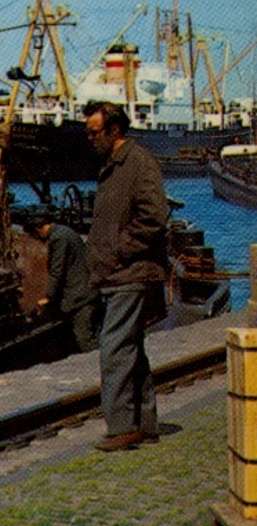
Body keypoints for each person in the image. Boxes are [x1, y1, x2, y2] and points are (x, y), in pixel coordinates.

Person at [84, 101, 170, 452]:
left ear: (114, 130)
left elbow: (155, 216)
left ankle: (121, 428)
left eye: (94, 131)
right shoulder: (112, 165)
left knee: (114, 349)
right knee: (131, 349)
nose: (88, 138)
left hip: (130, 272)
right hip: (117, 272)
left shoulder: (138, 162)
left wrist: (120, 249)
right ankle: (144, 423)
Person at [27, 210, 100, 353]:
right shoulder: (65, 231)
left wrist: (48, 296)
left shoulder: (58, 239)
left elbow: (57, 270)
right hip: (87, 289)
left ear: (37, 229)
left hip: (81, 295)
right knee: (92, 331)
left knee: (84, 338)